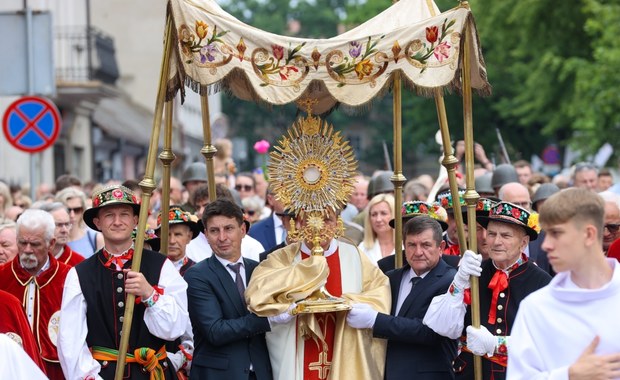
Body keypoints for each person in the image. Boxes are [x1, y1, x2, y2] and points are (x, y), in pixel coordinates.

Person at [58, 185, 189, 379]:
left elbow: (174, 328)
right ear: (97, 222)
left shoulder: (161, 266)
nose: (117, 222)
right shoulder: (80, 274)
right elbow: (70, 342)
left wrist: (149, 294)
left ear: (136, 220)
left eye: (125, 214)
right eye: (109, 215)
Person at [246, 208, 390, 380]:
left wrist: (352, 304)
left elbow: (380, 290)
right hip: (297, 347)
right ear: (299, 223)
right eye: (311, 219)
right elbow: (257, 293)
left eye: (327, 220)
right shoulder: (282, 258)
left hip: (343, 344)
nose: (318, 227)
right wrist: (288, 304)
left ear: (338, 222)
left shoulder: (355, 256)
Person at [423, 201, 552, 380]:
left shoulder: (541, 281)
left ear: (523, 243)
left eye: (506, 236)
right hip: (469, 373)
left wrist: (497, 344)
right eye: (492, 234)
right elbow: (441, 326)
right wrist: (459, 282)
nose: (496, 241)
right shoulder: (474, 272)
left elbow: (546, 341)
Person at [346, 216, 482, 380]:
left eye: (426, 245)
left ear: (441, 247)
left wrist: (375, 320)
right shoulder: (391, 278)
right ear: (404, 246)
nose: (418, 252)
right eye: (412, 245)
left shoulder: (451, 280)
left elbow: (430, 332)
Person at [507, 188, 620, 379]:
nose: (545, 245)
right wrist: (569, 375)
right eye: (545, 234)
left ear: (589, 234)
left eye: (556, 233)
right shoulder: (536, 308)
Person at [184, 199, 272, 379]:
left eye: (229, 229)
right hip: (217, 374)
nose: (222, 237)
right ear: (206, 235)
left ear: (243, 231)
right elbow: (215, 331)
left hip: (260, 372)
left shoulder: (259, 270)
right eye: (214, 231)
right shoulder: (197, 276)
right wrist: (269, 320)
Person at [0, 209, 71, 379]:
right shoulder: (2, 276)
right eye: (22, 243)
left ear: (51, 244)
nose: (27, 250)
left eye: (35, 244)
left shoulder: (70, 278)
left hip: (58, 373)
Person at [154, 205, 200, 376]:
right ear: (158, 236)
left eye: (178, 234)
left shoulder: (199, 272)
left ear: (189, 237)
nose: (172, 240)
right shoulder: (149, 271)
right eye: (167, 234)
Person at [55, 187, 104, 258]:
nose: (72, 215)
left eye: (77, 210)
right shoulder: (53, 240)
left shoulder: (95, 238)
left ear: (83, 210)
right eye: (68, 210)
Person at [34, 201, 85, 266]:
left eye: (67, 224)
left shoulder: (79, 263)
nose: (64, 230)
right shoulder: (31, 259)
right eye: (58, 225)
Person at [249, 186, 290, 252]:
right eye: (284, 194)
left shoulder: (304, 229)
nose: (289, 199)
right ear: (270, 199)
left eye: (292, 194)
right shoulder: (255, 231)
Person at [358, 193, 396, 264]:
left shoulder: (405, 246)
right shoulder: (362, 248)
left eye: (383, 213)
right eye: (374, 214)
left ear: (394, 215)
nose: (378, 219)